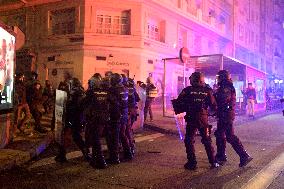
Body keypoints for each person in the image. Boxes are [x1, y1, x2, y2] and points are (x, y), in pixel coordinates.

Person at [175, 72, 219, 170]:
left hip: (191, 118)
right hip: (203, 118)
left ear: (193, 80)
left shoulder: (187, 90)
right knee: (207, 140)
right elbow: (214, 105)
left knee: (189, 140)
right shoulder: (207, 90)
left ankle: (192, 163)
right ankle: (213, 162)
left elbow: (179, 103)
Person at [214, 70, 253, 167]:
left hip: (225, 114)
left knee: (229, 136)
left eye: (219, 77)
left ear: (222, 77)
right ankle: (221, 156)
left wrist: (214, 95)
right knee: (220, 135)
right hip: (225, 114)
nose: (218, 78)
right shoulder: (226, 86)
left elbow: (223, 99)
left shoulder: (226, 87)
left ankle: (243, 155)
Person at [56, 77, 90, 162]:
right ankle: (86, 153)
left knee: (67, 136)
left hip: (72, 117)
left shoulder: (73, 92)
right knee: (76, 136)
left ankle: (62, 155)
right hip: (78, 118)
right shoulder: (81, 92)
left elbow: (69, 106)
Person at [84, 73, 109, 169]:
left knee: (95, 140)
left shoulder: (91, 93)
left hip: (95, 119)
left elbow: (83, 103)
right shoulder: (105, 92)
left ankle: (100, 161)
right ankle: (95, 160)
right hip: (103, 119)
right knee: (96, 138)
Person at [107, 73, 131, 163]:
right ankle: (128, 153)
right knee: (122, 134)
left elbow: (111, 101)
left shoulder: (113, 89)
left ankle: (115, 158)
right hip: (124, 114)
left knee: (115, 137)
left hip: (116, 115)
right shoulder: (124, 88)